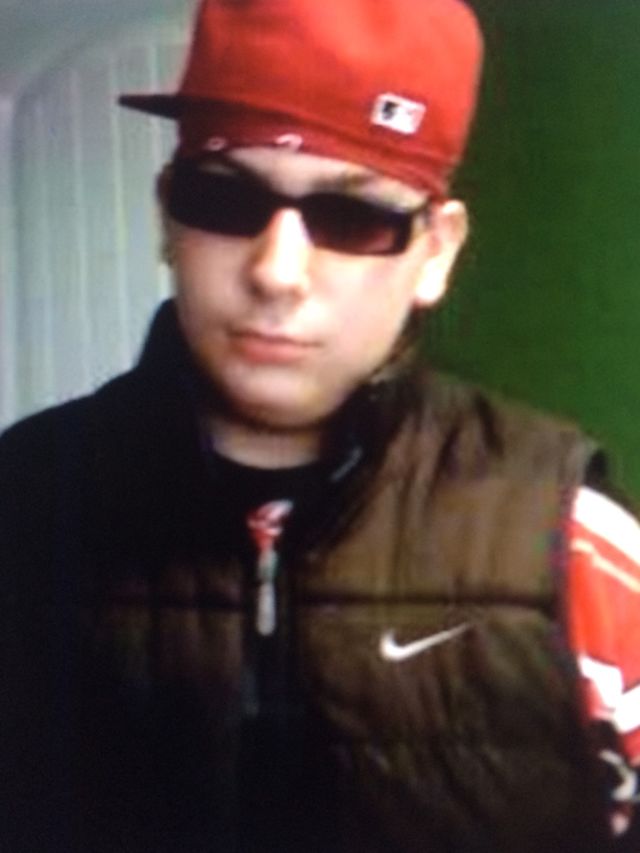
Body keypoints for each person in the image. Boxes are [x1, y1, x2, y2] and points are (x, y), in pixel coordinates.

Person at [1, 1, 639, 851]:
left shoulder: (568, 533)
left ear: (436, 253)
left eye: (353, 217)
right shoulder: (24, 501)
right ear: (168, 217)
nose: (278, 271)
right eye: (225, 196)